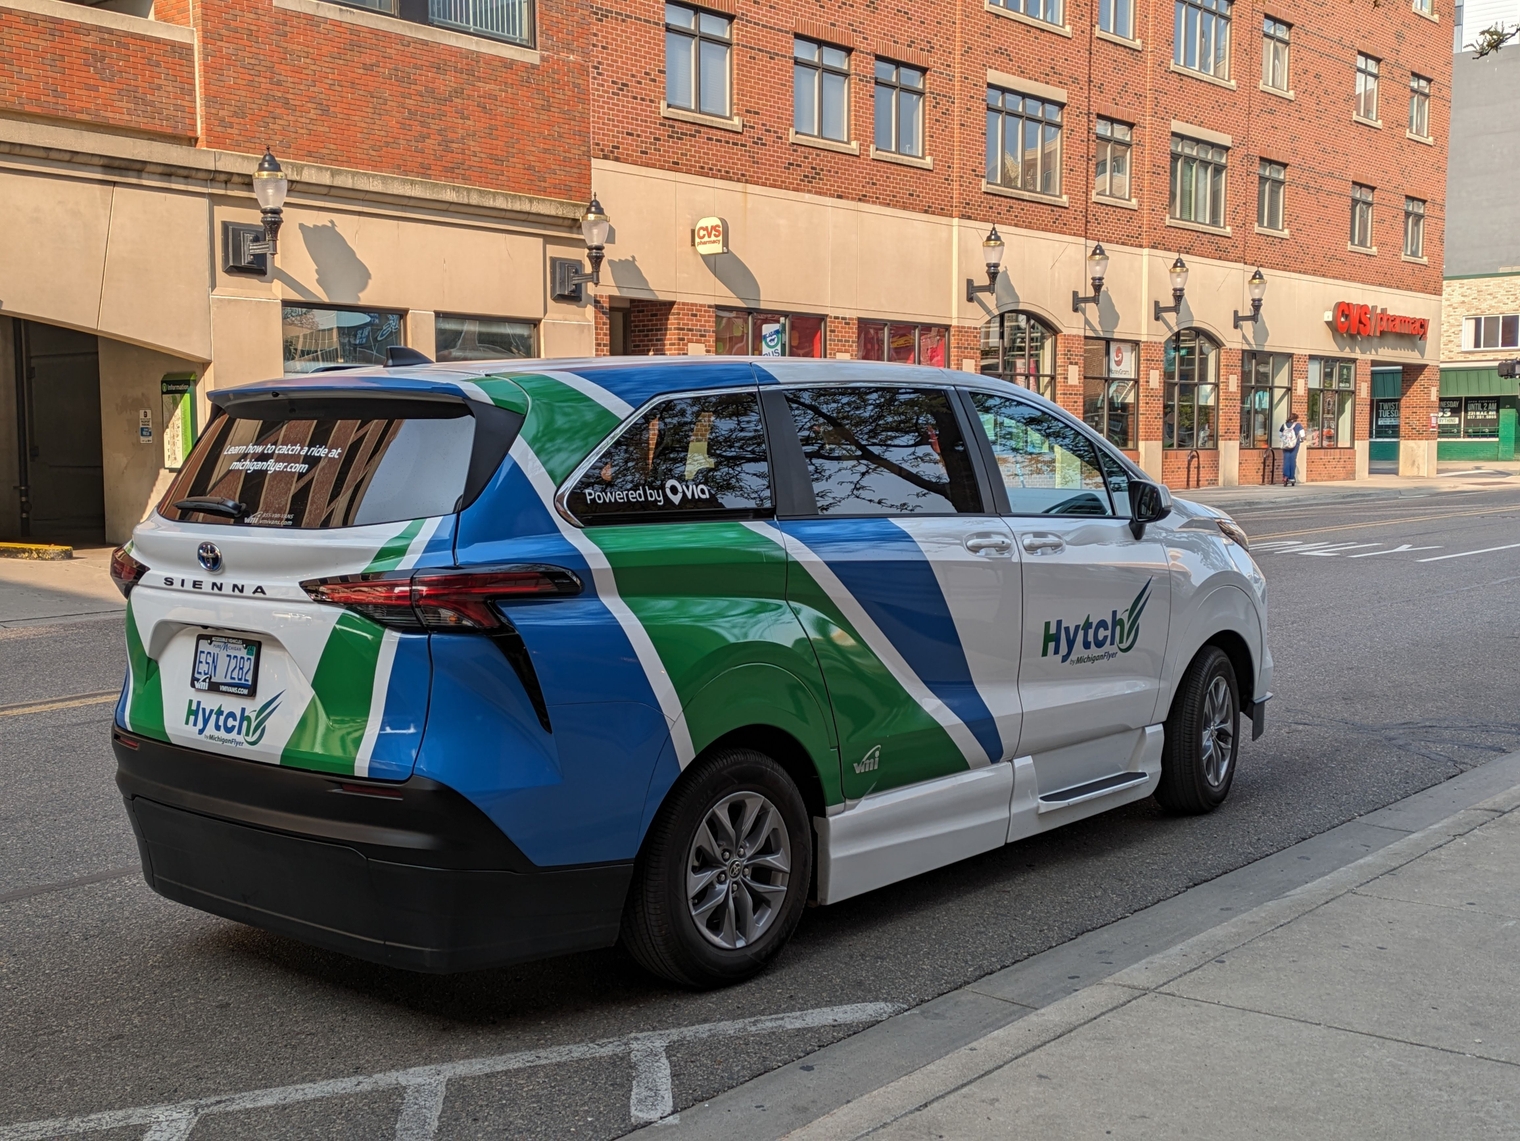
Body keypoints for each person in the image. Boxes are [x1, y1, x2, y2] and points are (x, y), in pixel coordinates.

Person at [1278, 412, 1306, 486]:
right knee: (1292, 460)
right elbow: (1302, 435)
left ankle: (1285, 476)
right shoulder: (1298, 425)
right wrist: (1301, 439)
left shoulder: (1284, 425)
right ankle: (1291, 477)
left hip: (1286, 445)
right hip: (1294, 445)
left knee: (1286, 459)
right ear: (1296, 419)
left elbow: (1280, 434)